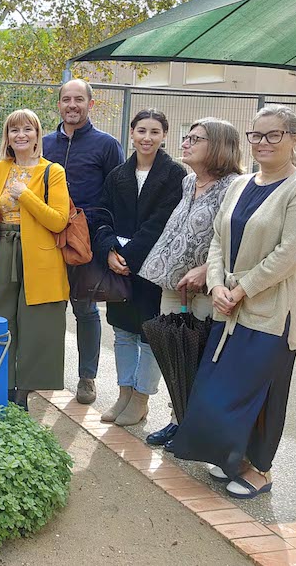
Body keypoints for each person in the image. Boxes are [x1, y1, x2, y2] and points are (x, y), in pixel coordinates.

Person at [171, 104, 296, 499]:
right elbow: (219, 240)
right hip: (229, 306)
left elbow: (292, 252)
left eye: (274, 134)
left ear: (293, 139)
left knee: (262, 392)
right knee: (220, 390)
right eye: (256, 135)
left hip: (272, 312)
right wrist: (218, 284)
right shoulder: (241, 185)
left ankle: (261, 469)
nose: (263, 143)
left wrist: (241, 289)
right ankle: (233, 458)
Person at [138, 118, 244, 447]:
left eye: (195, 139)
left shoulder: (235, 187)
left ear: (218, 146)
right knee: (175, 352)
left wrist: (205, 271)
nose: (185, 143)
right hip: (174, 284)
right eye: (186, 137)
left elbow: (236, 241)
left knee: (203, 358)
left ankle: (198, 427)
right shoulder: (188, 182)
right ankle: (177, 419)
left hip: (210, 286)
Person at [94, 109, 186, 427]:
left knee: (149, 334)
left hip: (152, 269)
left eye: (155, 132)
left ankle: (141, 399)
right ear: (131, 133)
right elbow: (100, 214)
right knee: (122, 332)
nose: (147, 138)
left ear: (164, 136)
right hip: (117, 264)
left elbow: (161, 223)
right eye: (142, 131)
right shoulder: (118, 174)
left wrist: (128, 258)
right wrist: (107, 251)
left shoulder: (175, 175)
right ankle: (123, 392)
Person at [0, 109, 71, 411]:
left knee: (36, 324)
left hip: (40, 257)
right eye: (14, 130)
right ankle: (1, 390)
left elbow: (58, 221)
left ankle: (24, 393)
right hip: (4, 250)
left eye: (27, 130)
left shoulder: (52, 171)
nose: (21, 135)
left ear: (37, 135)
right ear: (7, 136)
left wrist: (26, 196)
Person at [42, 79, 124, 405]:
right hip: (47, 236)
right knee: (49, 307)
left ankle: (87, 376)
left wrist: (109, 241)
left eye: (79, 99)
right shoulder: (44, 143)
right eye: (66, 99)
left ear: (91, 104)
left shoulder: (106, 145)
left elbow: (117, 194)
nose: (72, 105)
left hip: (86, 240)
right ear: (59, 105)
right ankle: (46, 371)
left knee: (85, 309)